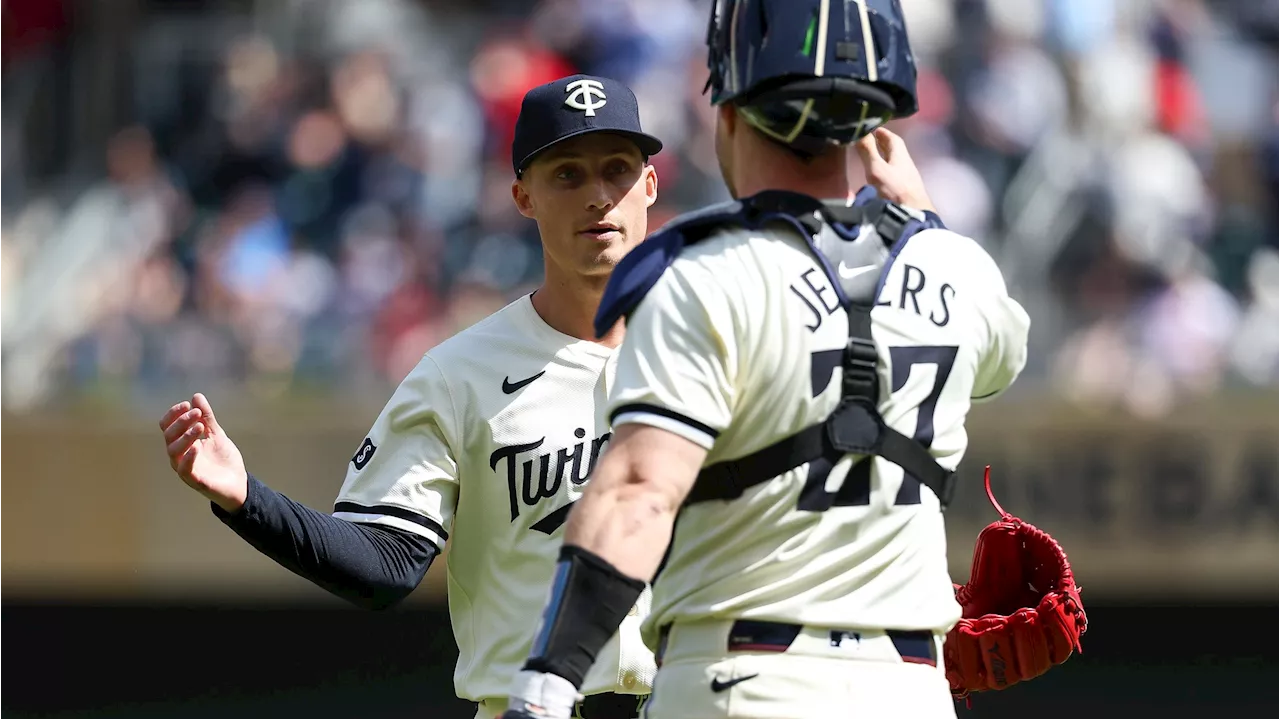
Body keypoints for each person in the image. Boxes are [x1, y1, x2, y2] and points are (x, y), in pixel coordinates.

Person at [500, 2, 1031, 719]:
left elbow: (637, 492)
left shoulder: (702, 274)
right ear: (876, 129)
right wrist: (921, 215)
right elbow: (1001, 361)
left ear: (728, 113)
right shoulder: (960, 269)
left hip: (744, 683)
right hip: (911, 692)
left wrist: (546, 682)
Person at [159, 74, 665, 719]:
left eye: (616, 170)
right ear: (523, 197)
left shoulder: (714, 352)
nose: (598, 197)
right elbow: (385, 565)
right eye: (566, 174)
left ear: (649, 184)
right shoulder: (460, 373)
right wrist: (245, 498)